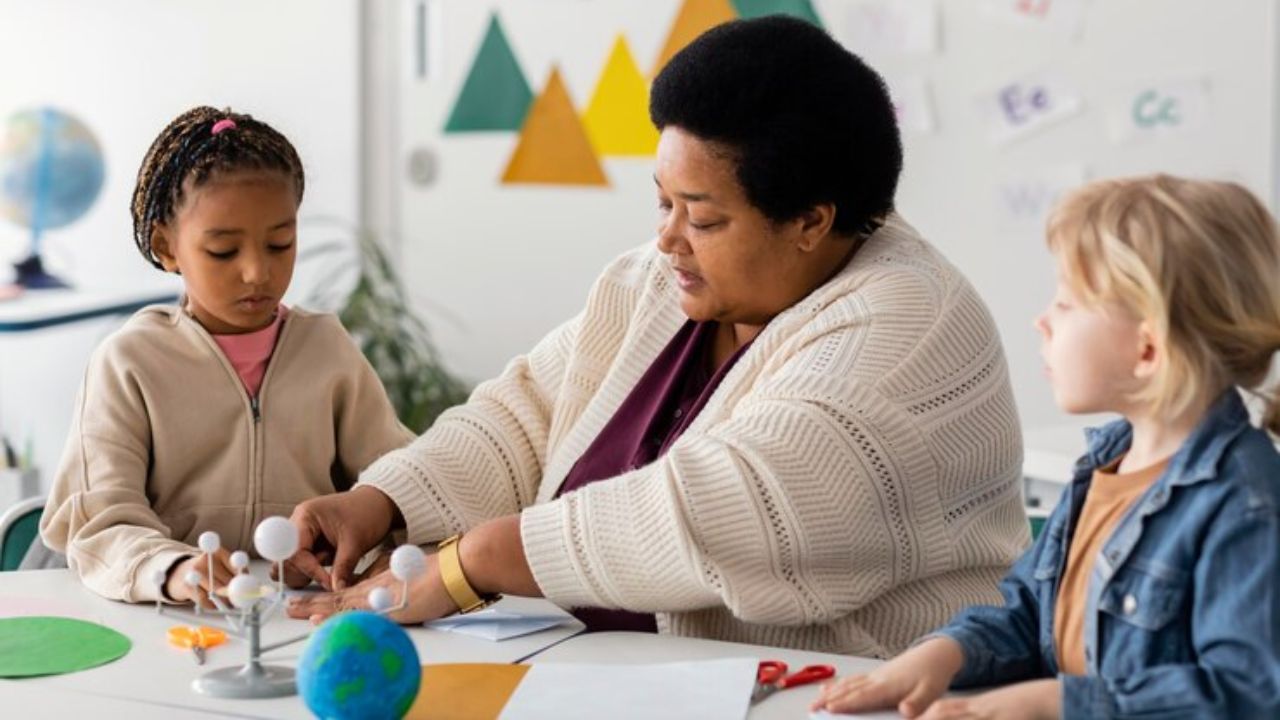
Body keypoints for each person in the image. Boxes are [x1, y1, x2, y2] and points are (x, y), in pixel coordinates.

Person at [286, 17, 1027, 657]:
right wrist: (386, 500)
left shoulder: (911, 328)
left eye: (701, 218)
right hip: (613, 673)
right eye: (662, 201)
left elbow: (730, 508)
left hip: (851, 692)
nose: (667, 238)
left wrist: (471, 562)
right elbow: (528, 413)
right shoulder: (662, 280)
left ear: (811, 220)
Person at [811, 174, 1280, 718]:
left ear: (1149, 350)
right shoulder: (1106, 462)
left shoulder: (1247, 505)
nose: (1042, 320)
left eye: (1067, 302)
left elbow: (1248, 695)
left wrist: (1055, 701)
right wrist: (946, 652)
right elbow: (1030, 612)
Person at [40, 106, 412, 606]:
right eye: (223, 251)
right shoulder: (129, 363)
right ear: (166, 247)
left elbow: (402, 480)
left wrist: (373, 534)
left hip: (309, 614)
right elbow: (99, 519)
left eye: (280, 243)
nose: (257, 272)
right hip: (177, 619)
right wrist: (170, 569)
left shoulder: (328, 351)